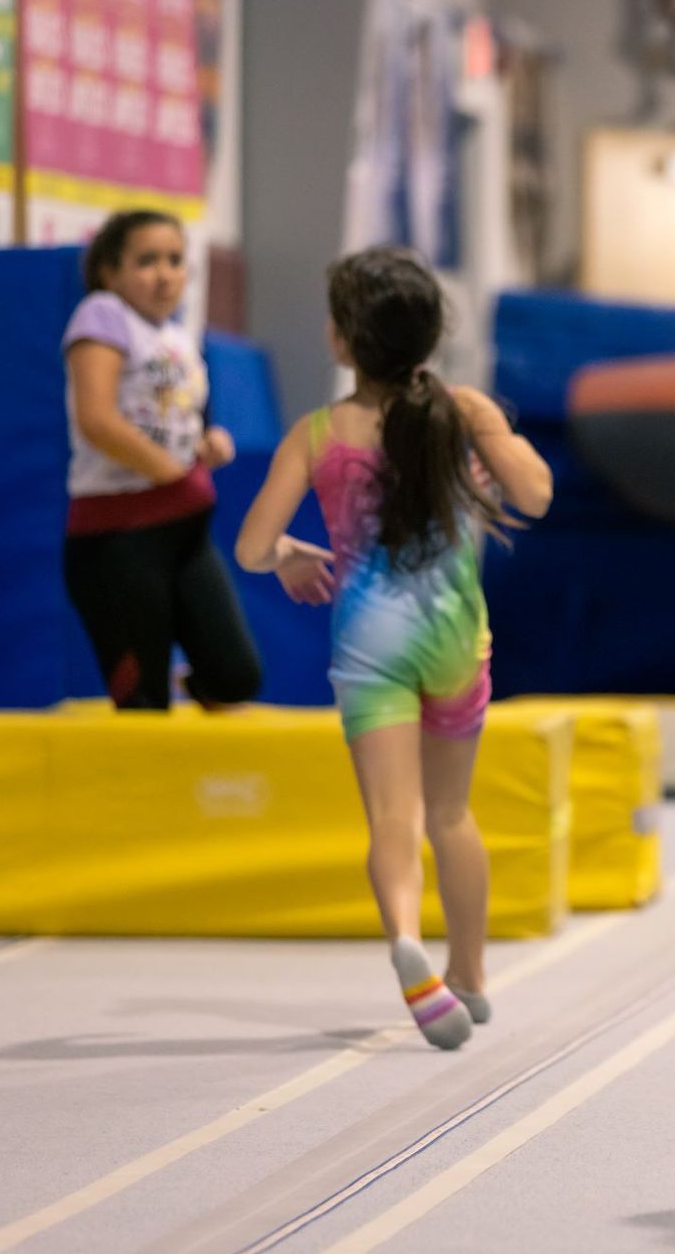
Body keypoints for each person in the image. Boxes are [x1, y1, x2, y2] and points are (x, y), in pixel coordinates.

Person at [236, 246, 551, 1048]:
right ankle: (470, 975)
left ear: (341, 341)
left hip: (371, 640)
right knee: (452, 814)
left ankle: (407, 940)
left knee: (392, 817)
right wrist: (485, 423)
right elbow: (537, 495)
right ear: (430, 336)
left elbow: (249, 548)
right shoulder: (462, 410)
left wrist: (288, 556)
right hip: (453, 640)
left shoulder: (318, 432)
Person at [62, 210, 262, 710]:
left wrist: (206, 444)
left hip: (185, 534)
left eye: (175, 260)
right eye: (147, 261)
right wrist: (172, 474)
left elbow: (174, 421)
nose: (165, 273)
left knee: (234, 677)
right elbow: (97, 419)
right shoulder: (104, 313)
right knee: (144, 698)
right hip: (118, 536)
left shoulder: (178, 338)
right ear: (110, 271)